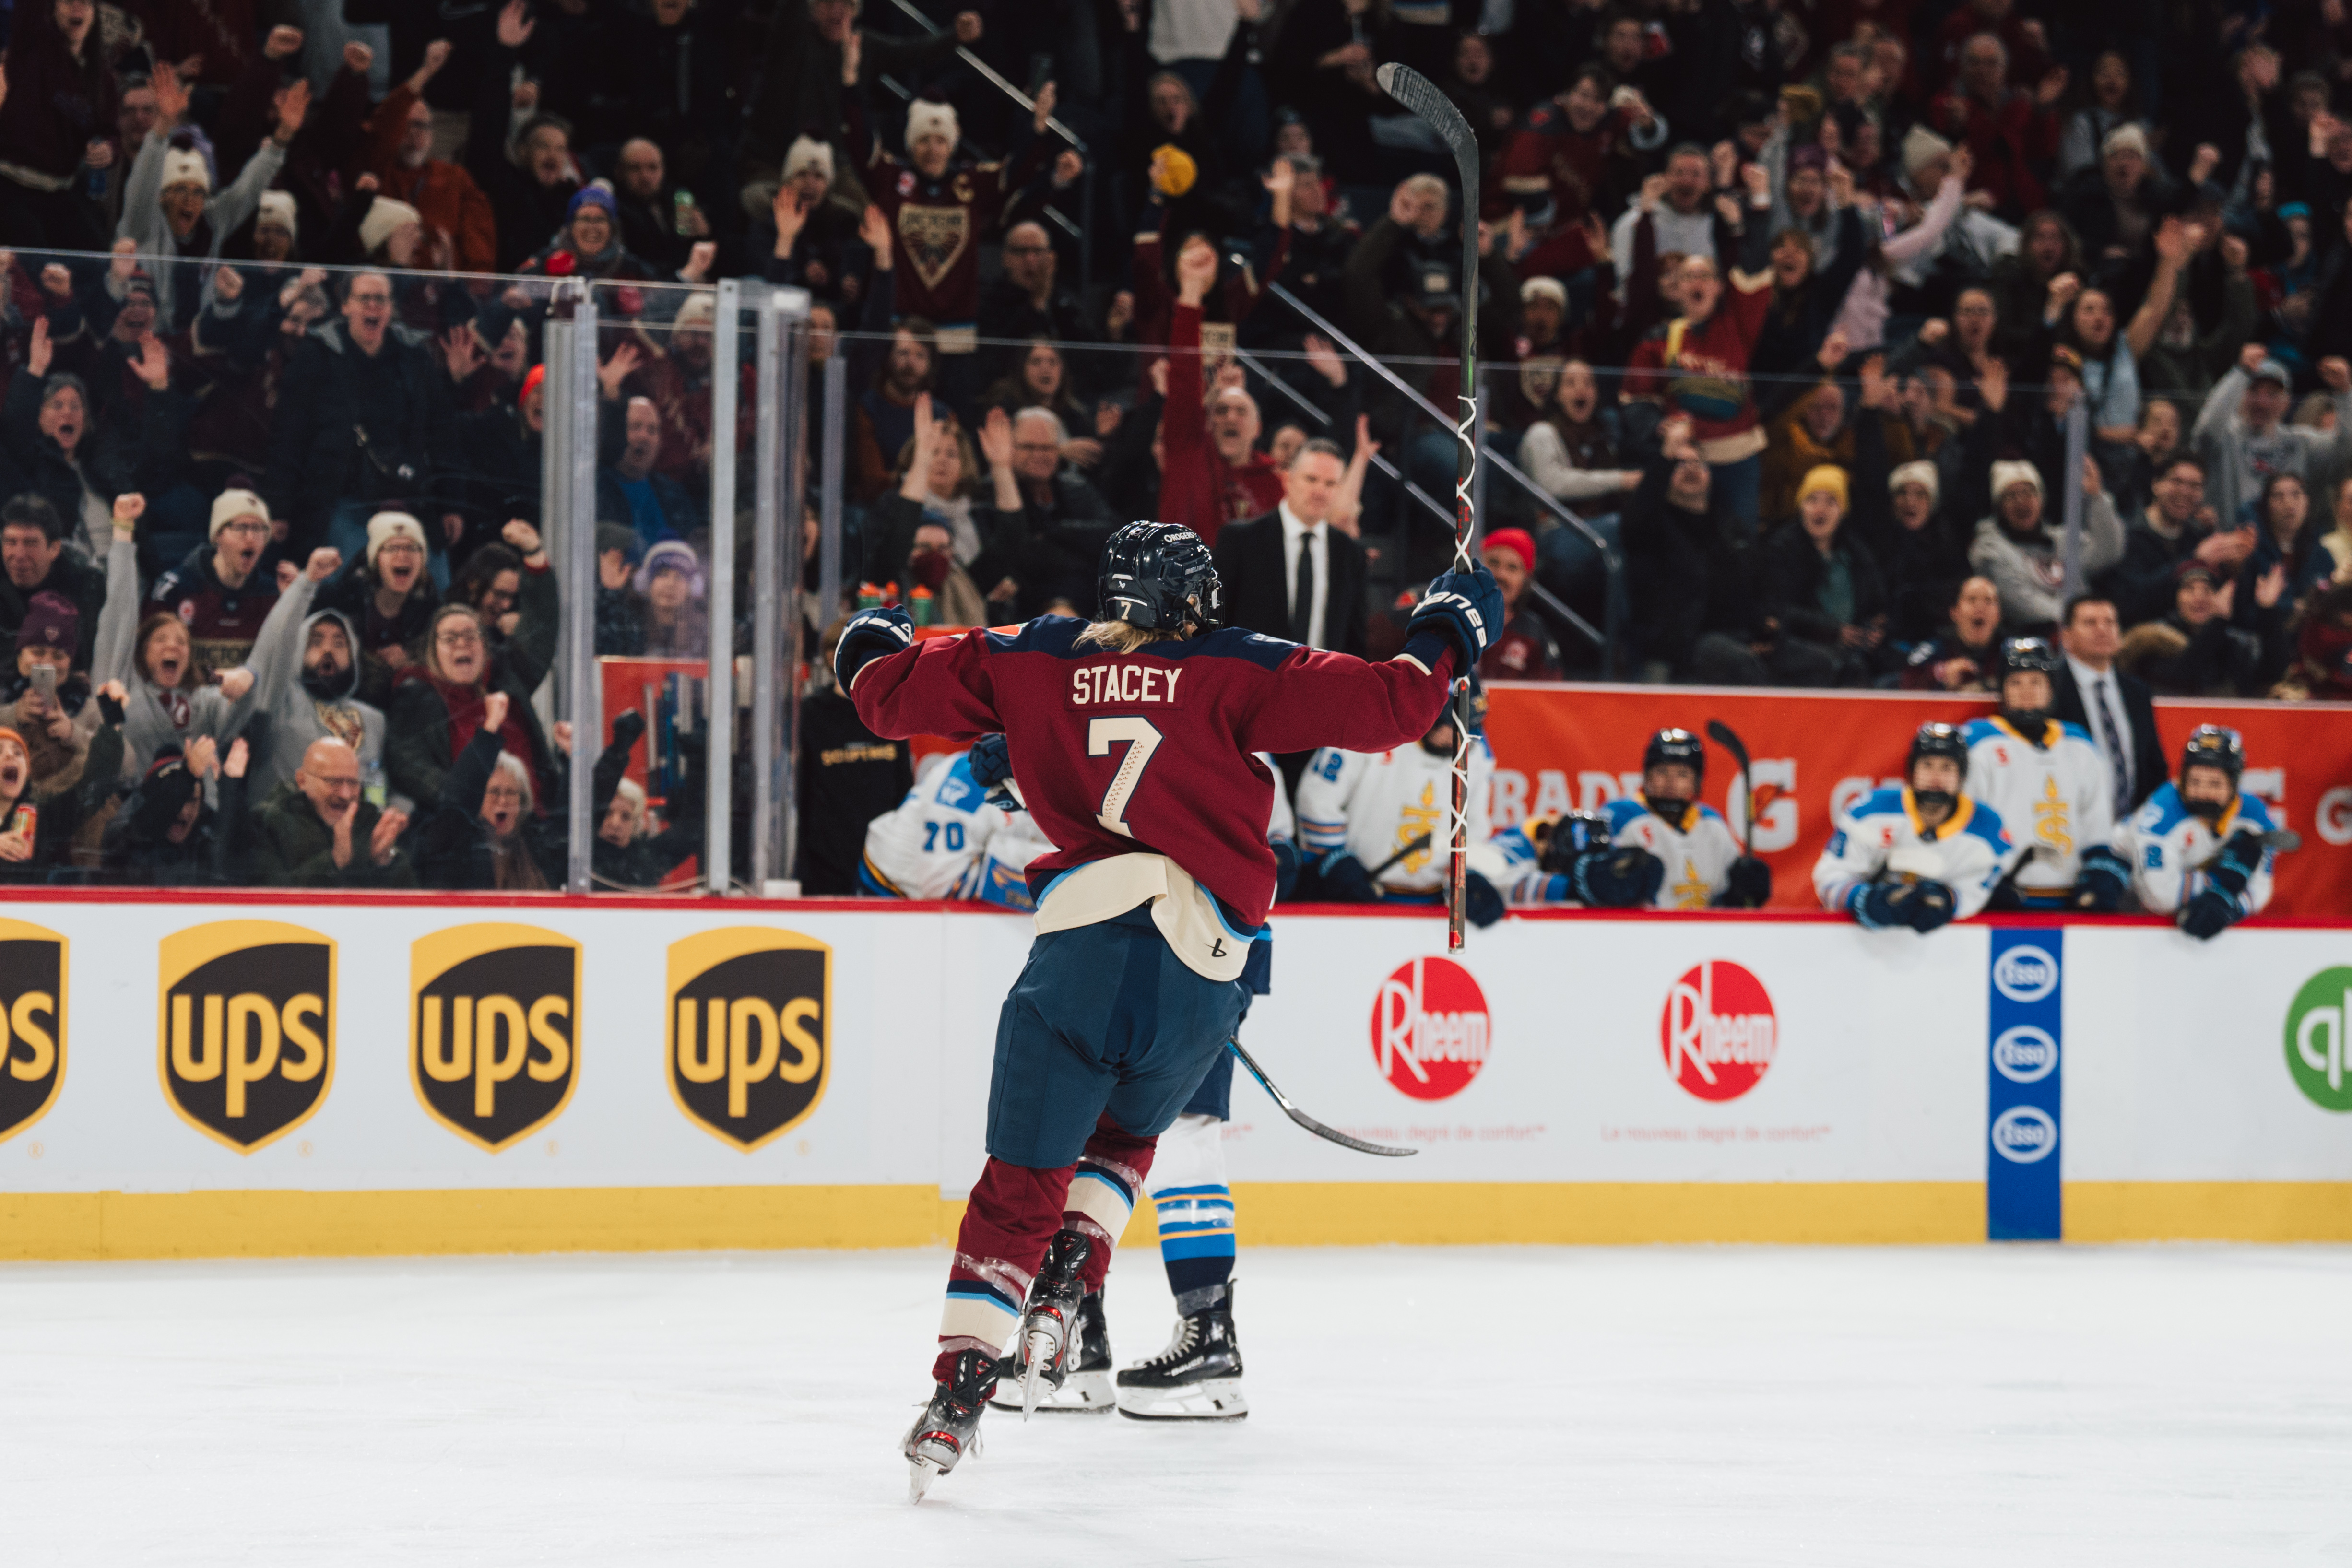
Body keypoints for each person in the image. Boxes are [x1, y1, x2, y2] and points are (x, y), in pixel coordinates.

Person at [834, 522, 1500, 1500]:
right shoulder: (1233, 663)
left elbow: (882, 694)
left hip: (1079, 955)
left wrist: (870, 637)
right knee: (1137, 1139)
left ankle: (961, 1387)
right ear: (1196, 599)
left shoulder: (1037, 652)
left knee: (1016, 1183)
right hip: (1205, 974)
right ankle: (1077, 1280)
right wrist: (1448, 626)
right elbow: (1397, 700)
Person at [1961, 638, 2128, 911]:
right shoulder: (1978, 744)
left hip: (2070, 901)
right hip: (1998, 900)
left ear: (2051, 688)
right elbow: (1966, 823)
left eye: (2036, 682)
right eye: (2016, 683)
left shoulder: (2080, 745)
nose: (2026, 692)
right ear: (2002, 689)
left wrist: (2099, 874)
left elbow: (2096, 827)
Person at [1295, 710, 1505, 922]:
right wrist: (1334, 859)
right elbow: (1317, 798)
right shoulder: (1370, 725)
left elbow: (1474, 825)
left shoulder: (1476, 751)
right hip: (1357, 899)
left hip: (1432, 909)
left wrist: (1469, 873)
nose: (1457, 738)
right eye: (1450, 726)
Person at [1814, 721, 2013, 933]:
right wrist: (1865, 900)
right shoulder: (1869, 812)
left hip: (1949, 945)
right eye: (1927, 765)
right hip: (1858, 938)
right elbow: (1829, 877)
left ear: (1962, 776)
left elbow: (1981, 889)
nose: (1936, 778)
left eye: (1947, 768)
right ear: (1911, 770)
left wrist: (1950, 900)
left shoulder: (1988, 829)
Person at [2117, 725, 2281, 941]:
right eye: (2195, 782)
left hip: (2180, 903)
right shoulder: (2165, 809)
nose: (2203, 792)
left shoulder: (2256, 817)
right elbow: (2159, 896)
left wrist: (2228, 907)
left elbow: (2260, 888)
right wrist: (2224, 882)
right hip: (2129, 898)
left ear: (2234, 784)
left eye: (2215, 784)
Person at [1210, 437, 1369, 658]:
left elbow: (1354, 642)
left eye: (1330, 483)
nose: (1320, 491)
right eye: (1311, 480)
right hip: (1253, 683)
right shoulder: (1240, 540)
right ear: (1287, 479)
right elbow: (1216, 625)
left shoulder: (1351, 554)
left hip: (1321, 686)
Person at [1593, 728, 1771, 910]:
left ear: (1697, 782)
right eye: (1662, 772)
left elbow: (1725, 898)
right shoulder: (1620, 816)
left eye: (1682, 774)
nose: (1671, 782)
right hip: (1643, 931)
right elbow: (1595, 884)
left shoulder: (1712, 823)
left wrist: (1741, 893)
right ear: (1647, 776)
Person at [859, 747, 1055, 907]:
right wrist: (1050, 895)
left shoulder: (1066, 789)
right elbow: (941, 884)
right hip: (890, 887)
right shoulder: (968, 783)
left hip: (953, 877)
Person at [2192, 347, 2352, 530]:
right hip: (2229, 544)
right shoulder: (2225, 437)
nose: (2262, 402)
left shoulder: (2299, 443)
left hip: (2283, 549)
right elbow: (2205, 431)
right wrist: (2240, 373)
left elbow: (2346, 450)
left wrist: (2344, 393)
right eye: (2254, 391)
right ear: (2241, 395)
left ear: (2287, 403)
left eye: (2272, 394)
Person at [1968, 460, 2126, 632]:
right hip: (2036, 637)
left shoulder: (2063, 539)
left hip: (2084, 630)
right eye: (2011, 496)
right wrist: (2078, 621)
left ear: (2041, 500)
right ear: (1999, 508)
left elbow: (2108, 552)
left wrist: (2096, 497)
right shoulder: (1991, 550)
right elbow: (2021, 603)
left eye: (2029, 492)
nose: (2021, 501)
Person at [2051, 594, 2166, 819]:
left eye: (2110, 622)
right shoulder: (2050, 688)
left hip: (2132, 826)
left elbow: (2152, 764)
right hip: (2069, 822)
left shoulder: (2137, 691)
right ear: (2066, 637)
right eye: (2090, 623)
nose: (2102, 630)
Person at [146, 488, 285, 673]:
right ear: (218, 535)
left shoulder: (272, 593)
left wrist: (293, 601)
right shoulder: (176, 589)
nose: (251, 538)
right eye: (241, 528)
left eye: (259, 529)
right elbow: (147, 660)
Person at [247, 736, 415, 887]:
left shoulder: (370, 821)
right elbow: (269, 901)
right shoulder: (267, 822)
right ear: (302, 781)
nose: (346, 794)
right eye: (333, 782)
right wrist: (334, 861)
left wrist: (384, 864)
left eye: (353, 783)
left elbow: (413, 903)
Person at [315, 512, 439, 705]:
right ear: (377, 559)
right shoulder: (342, 597)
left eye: (412, 548)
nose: (403, 555)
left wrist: (411, 661)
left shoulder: (433, 609)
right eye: (392, 548)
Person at [0, 496, 106, 671]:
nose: (19, 555)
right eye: (11, 542)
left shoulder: (86, 586)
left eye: (30, 543)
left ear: (54, 549)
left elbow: (90, 656)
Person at [1474, 529, 1563, 681]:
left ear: (1526, 581)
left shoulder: (1533, 633)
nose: (1501, 575)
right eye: (1493, 563)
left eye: (1513, 568)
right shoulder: (1446, 616)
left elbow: (1552, 696)